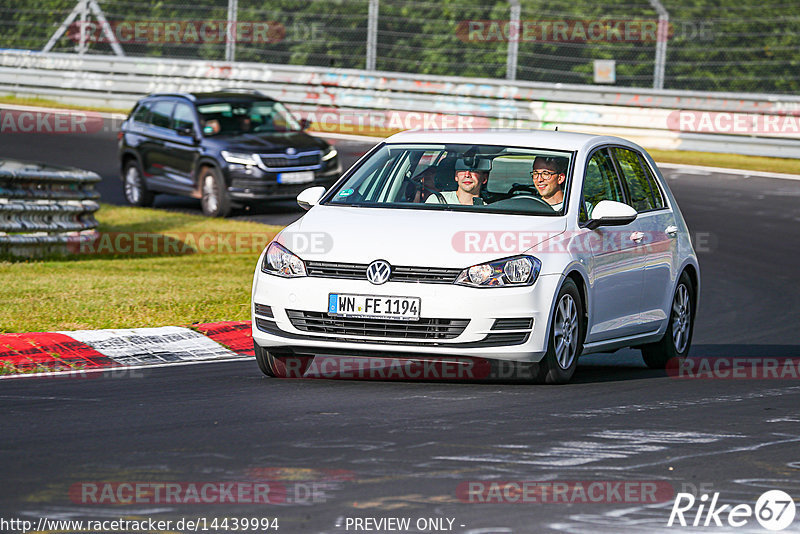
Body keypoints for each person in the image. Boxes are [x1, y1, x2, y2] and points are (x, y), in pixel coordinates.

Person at [425, 158, 490, 206]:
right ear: (456, 176)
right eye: (462, 170)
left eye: (473, 171)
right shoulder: (436, 201)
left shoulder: (487, 209)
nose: (467, 175)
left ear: (484, 179)